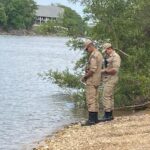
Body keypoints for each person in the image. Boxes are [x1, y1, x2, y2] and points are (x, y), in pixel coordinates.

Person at [81, 39, 103, 126]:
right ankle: (95, 119)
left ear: (90, 46)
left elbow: (93, 69)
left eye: (87, 49)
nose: (87, 51)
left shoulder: (94, 55)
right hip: (97, 80)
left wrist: (84, 77)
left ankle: (91, 120)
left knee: (91, 99)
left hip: (92, 80)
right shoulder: (99, 54)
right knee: (95, 99)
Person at [101, 43, 121, 121]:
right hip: (107, 78)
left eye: (106, 51)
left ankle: (107, 115)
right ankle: (110, 115)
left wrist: (103, 71)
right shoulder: (108, 56)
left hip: (112, 78)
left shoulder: (116, 57)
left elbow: (114, 70)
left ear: (109, 48)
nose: (105, 52)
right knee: (110, 96)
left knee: (106, 96)